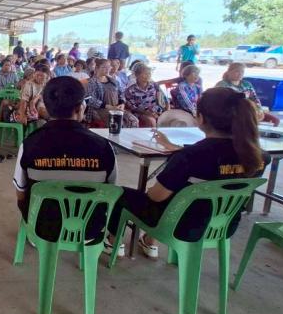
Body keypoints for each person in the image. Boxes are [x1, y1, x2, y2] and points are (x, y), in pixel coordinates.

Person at [107, 87, 269, 258]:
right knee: (180, 194)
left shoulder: (190, 157)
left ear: (200, 118)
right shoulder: (259, 157)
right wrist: (176, 149)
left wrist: (154, 187)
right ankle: (149, 241)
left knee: (124, 194)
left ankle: (114, 242)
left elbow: (156, 197)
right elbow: (218, 159)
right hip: (223, 226)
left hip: (181, 227)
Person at [13, 76, 118, 243]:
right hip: (88, 231)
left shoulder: (30, 144)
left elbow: (20, 194)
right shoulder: (104, 147)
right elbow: (110, 191)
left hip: (42, 230)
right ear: (81, 108)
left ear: (46, 108)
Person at [85, 58, 138, 128]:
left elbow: (121, 94)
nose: (107, 69)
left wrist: (122, 103)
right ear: (97, 68)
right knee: (117, 123)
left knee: (134, 120)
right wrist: (109, 107)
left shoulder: (114, 81)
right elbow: (89, 100)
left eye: (109, 67)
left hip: (116, 108)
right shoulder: (92, 82)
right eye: (104, 67)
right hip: (99, 109)